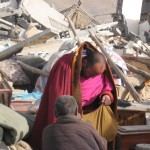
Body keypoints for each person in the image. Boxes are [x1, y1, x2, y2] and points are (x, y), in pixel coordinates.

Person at [29, 41, 118, 150]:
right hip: (68, 115)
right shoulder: (65, 65)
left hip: (91, 113)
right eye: (91, 74)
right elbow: (58, 96)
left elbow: (107, 86)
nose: (92, 78)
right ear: (84, 63)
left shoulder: (100, 69)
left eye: (95, 76)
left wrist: (107, 95)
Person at [42, 95, 107, 150]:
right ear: (76, 111)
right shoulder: (87, 127)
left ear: (55, 113)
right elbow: (103, 146)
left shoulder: (47, 130)